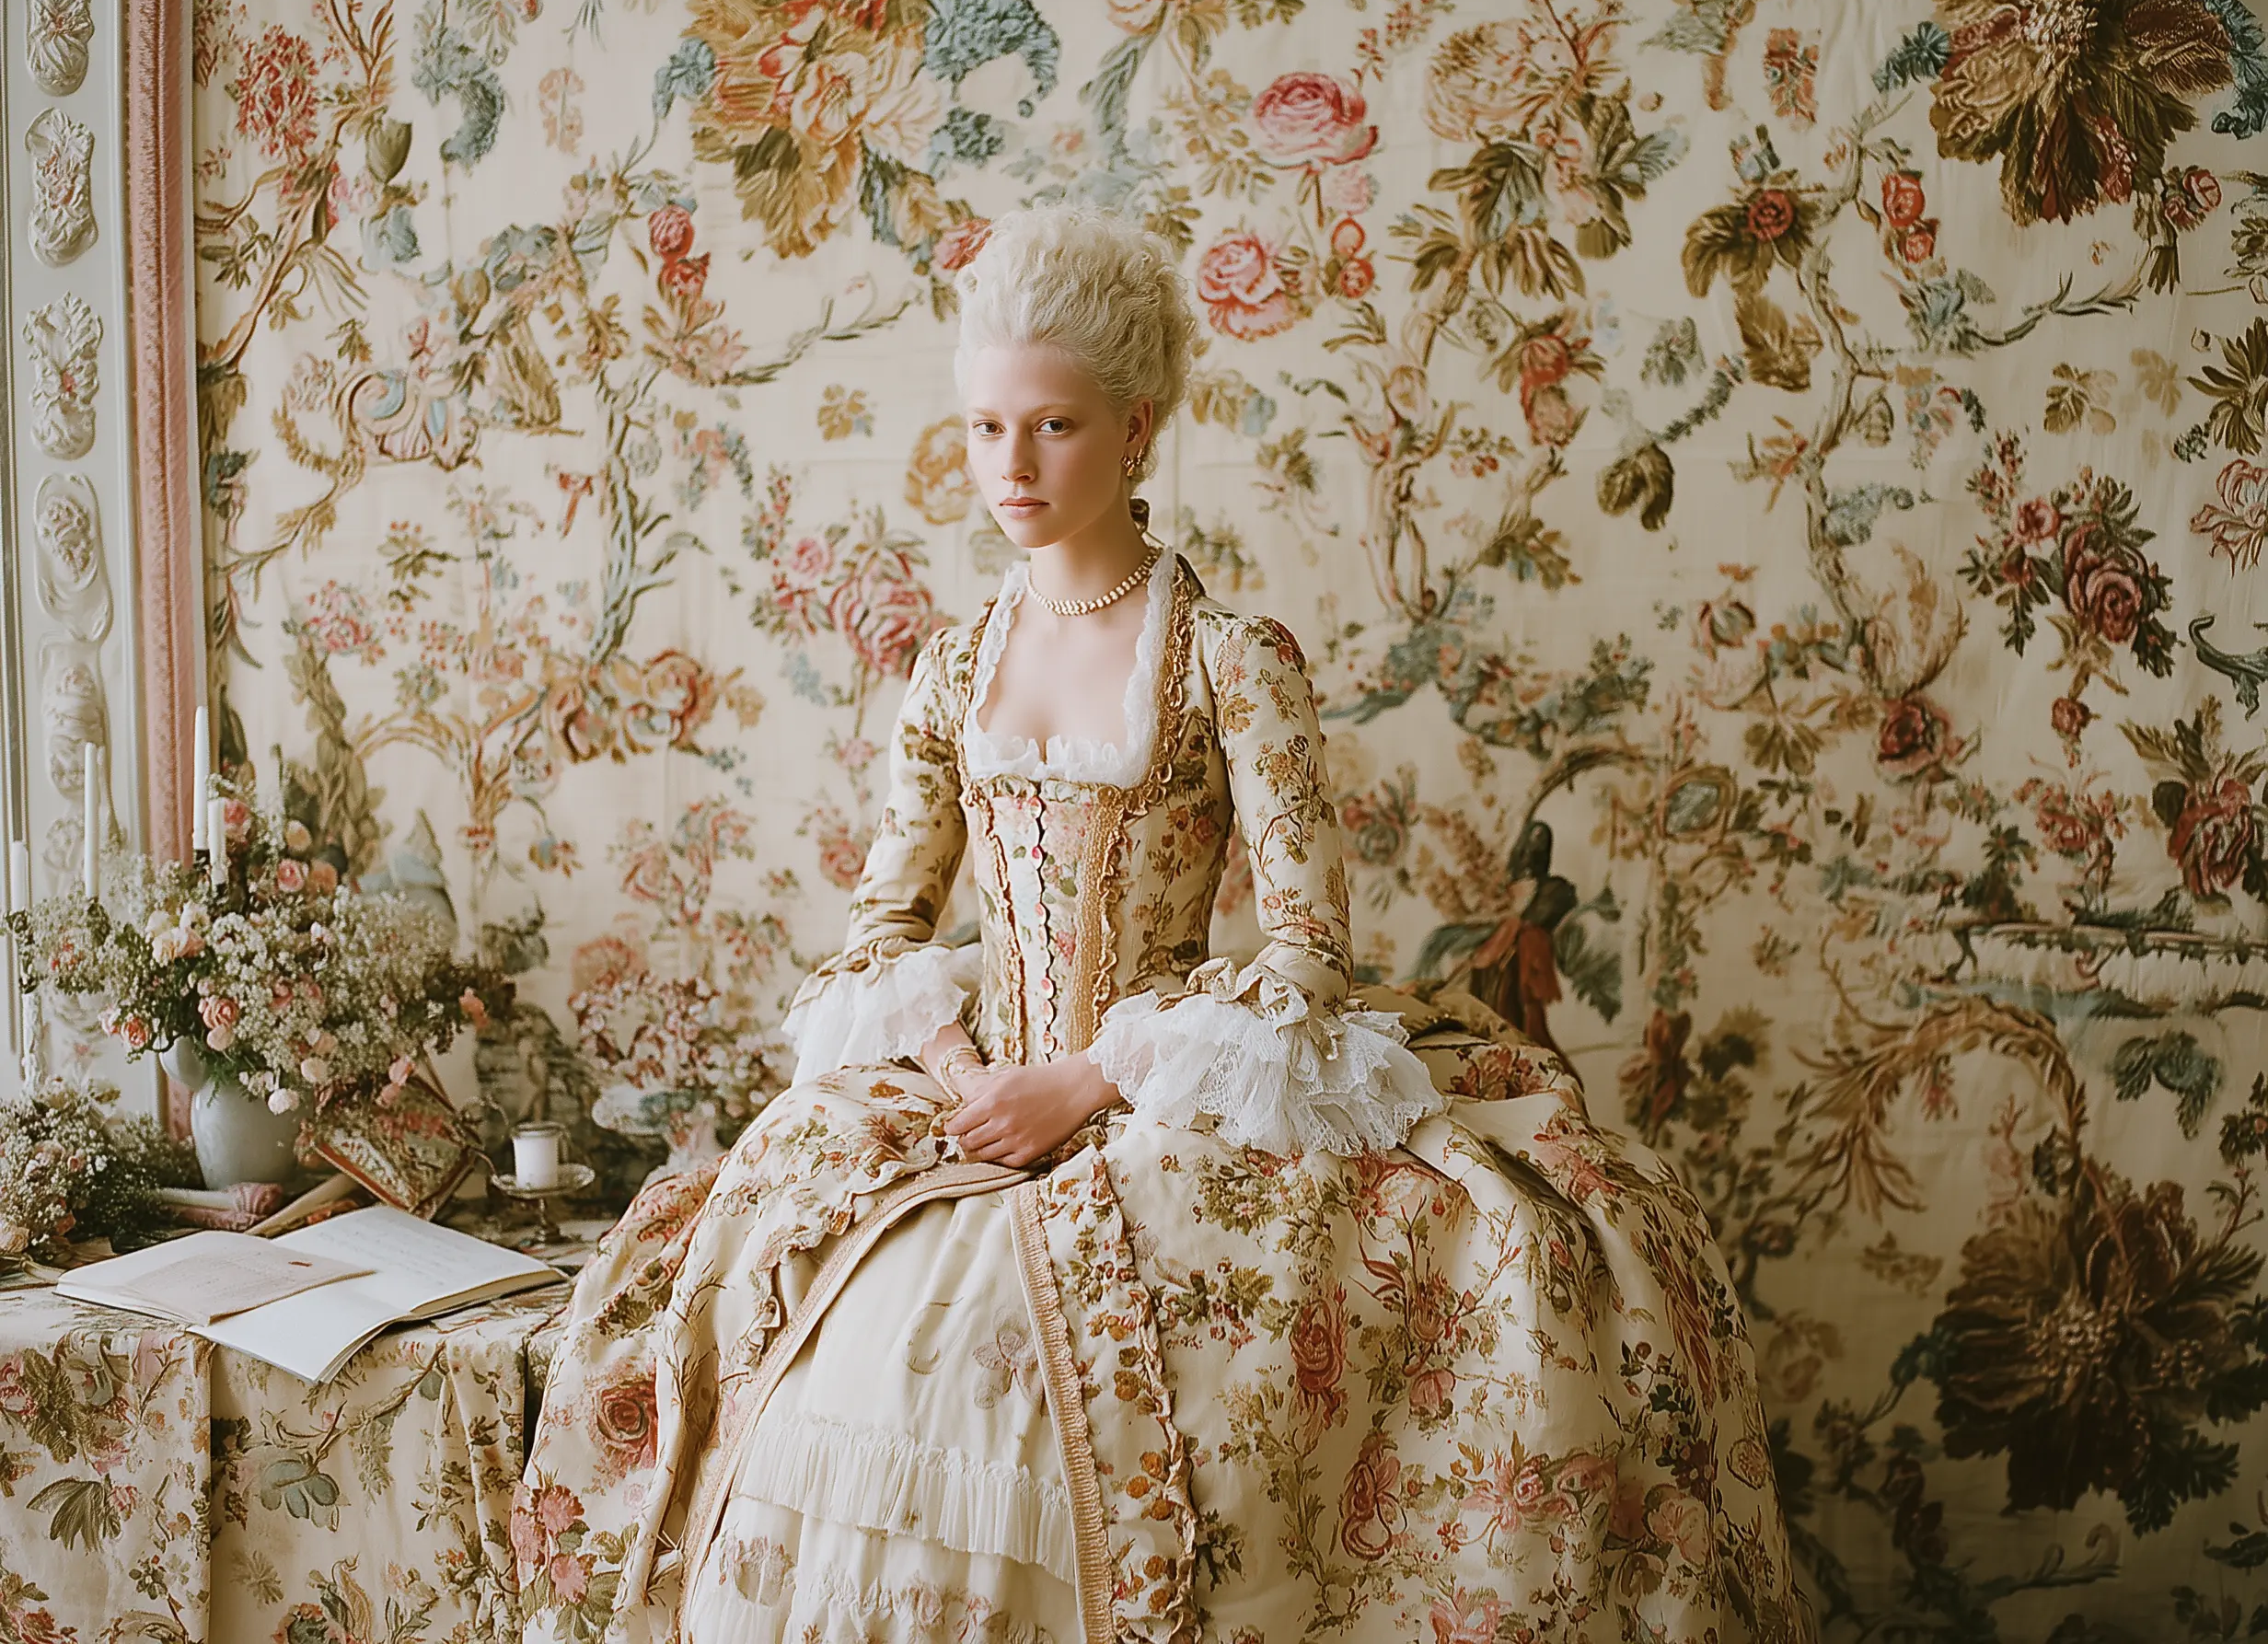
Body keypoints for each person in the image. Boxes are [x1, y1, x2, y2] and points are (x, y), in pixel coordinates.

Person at [519, 205, 1813, 1644]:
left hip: (1158, 1094)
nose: (1009, 469)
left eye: (1053, 426)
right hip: (976, 1094)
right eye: (985, 428)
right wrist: (968, 1082)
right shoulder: (953, 670)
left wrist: (1085, 1084)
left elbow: (1307, 950)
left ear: (1136, 428)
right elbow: (878, 930)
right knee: (827, 1335)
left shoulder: (1227, 662)